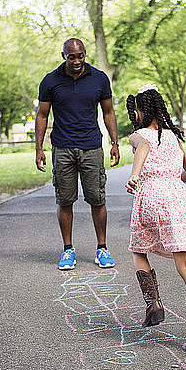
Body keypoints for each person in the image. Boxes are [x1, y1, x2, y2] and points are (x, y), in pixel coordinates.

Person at [125, 84, 186, 353]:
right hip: (179, 197)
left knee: (139, 249)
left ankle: (153, 303)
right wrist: (170, 181)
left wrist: (136, 175)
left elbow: (142, 146)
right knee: (185, 265)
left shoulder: (139, 134)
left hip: (151, 197)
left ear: (141, 111)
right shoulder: (172, 137)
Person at [34, 38, 120, 271]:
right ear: (63, 55)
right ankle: (68, 250)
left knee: (97, 198)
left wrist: (115, 142)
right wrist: (39, 148)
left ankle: (102, 248)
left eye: (80, 56)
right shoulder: (51, 81)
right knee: (65, 200)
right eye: (71, 57)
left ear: (85, 54)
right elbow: (42, 115)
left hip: (91, 146)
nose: (76, 61)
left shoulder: (99, 78)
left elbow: (108, 111)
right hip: (62, 147)